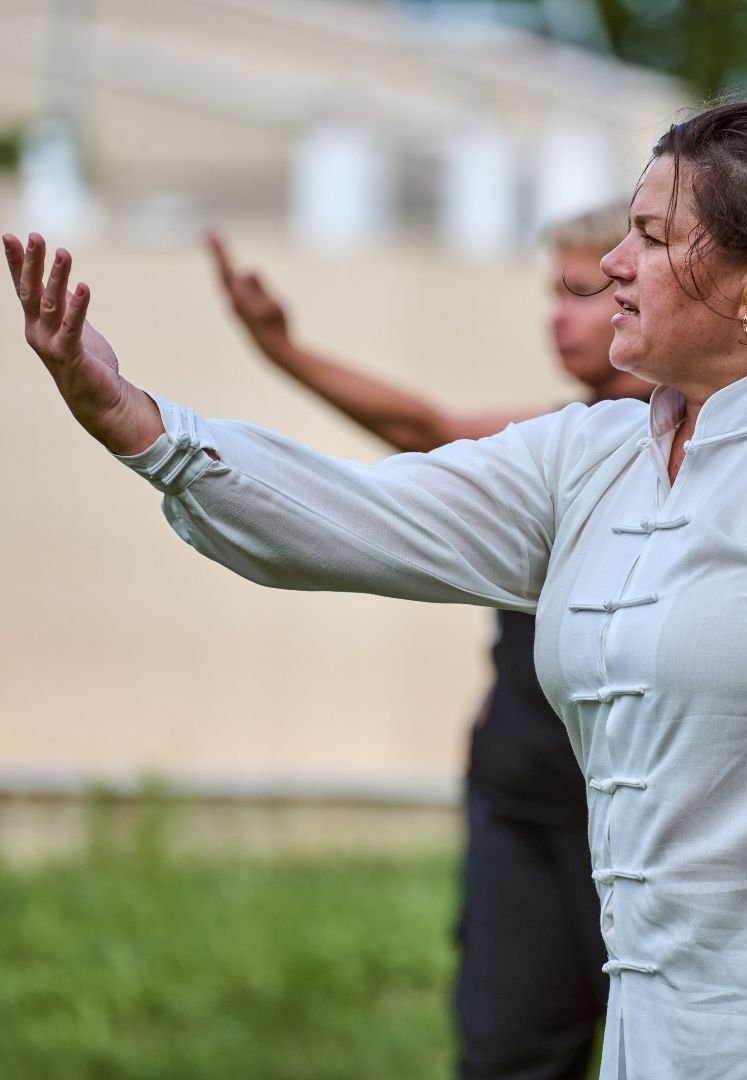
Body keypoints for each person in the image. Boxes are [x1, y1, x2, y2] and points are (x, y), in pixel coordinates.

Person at [7, 99, 747, 1080]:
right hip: (663, 1035)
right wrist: (144, 428)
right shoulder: (590, 455)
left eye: (653, 237)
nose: (606, 265)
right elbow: (360, 518)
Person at [202, 208, 652, 1080]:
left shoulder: (718, 453)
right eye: (551, 294)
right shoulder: (554, 447)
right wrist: (280, 351)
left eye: (584, 293)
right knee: (508, 1055)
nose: (557, 317)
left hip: (644, 822)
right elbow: (424, 427)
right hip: (520, 803)